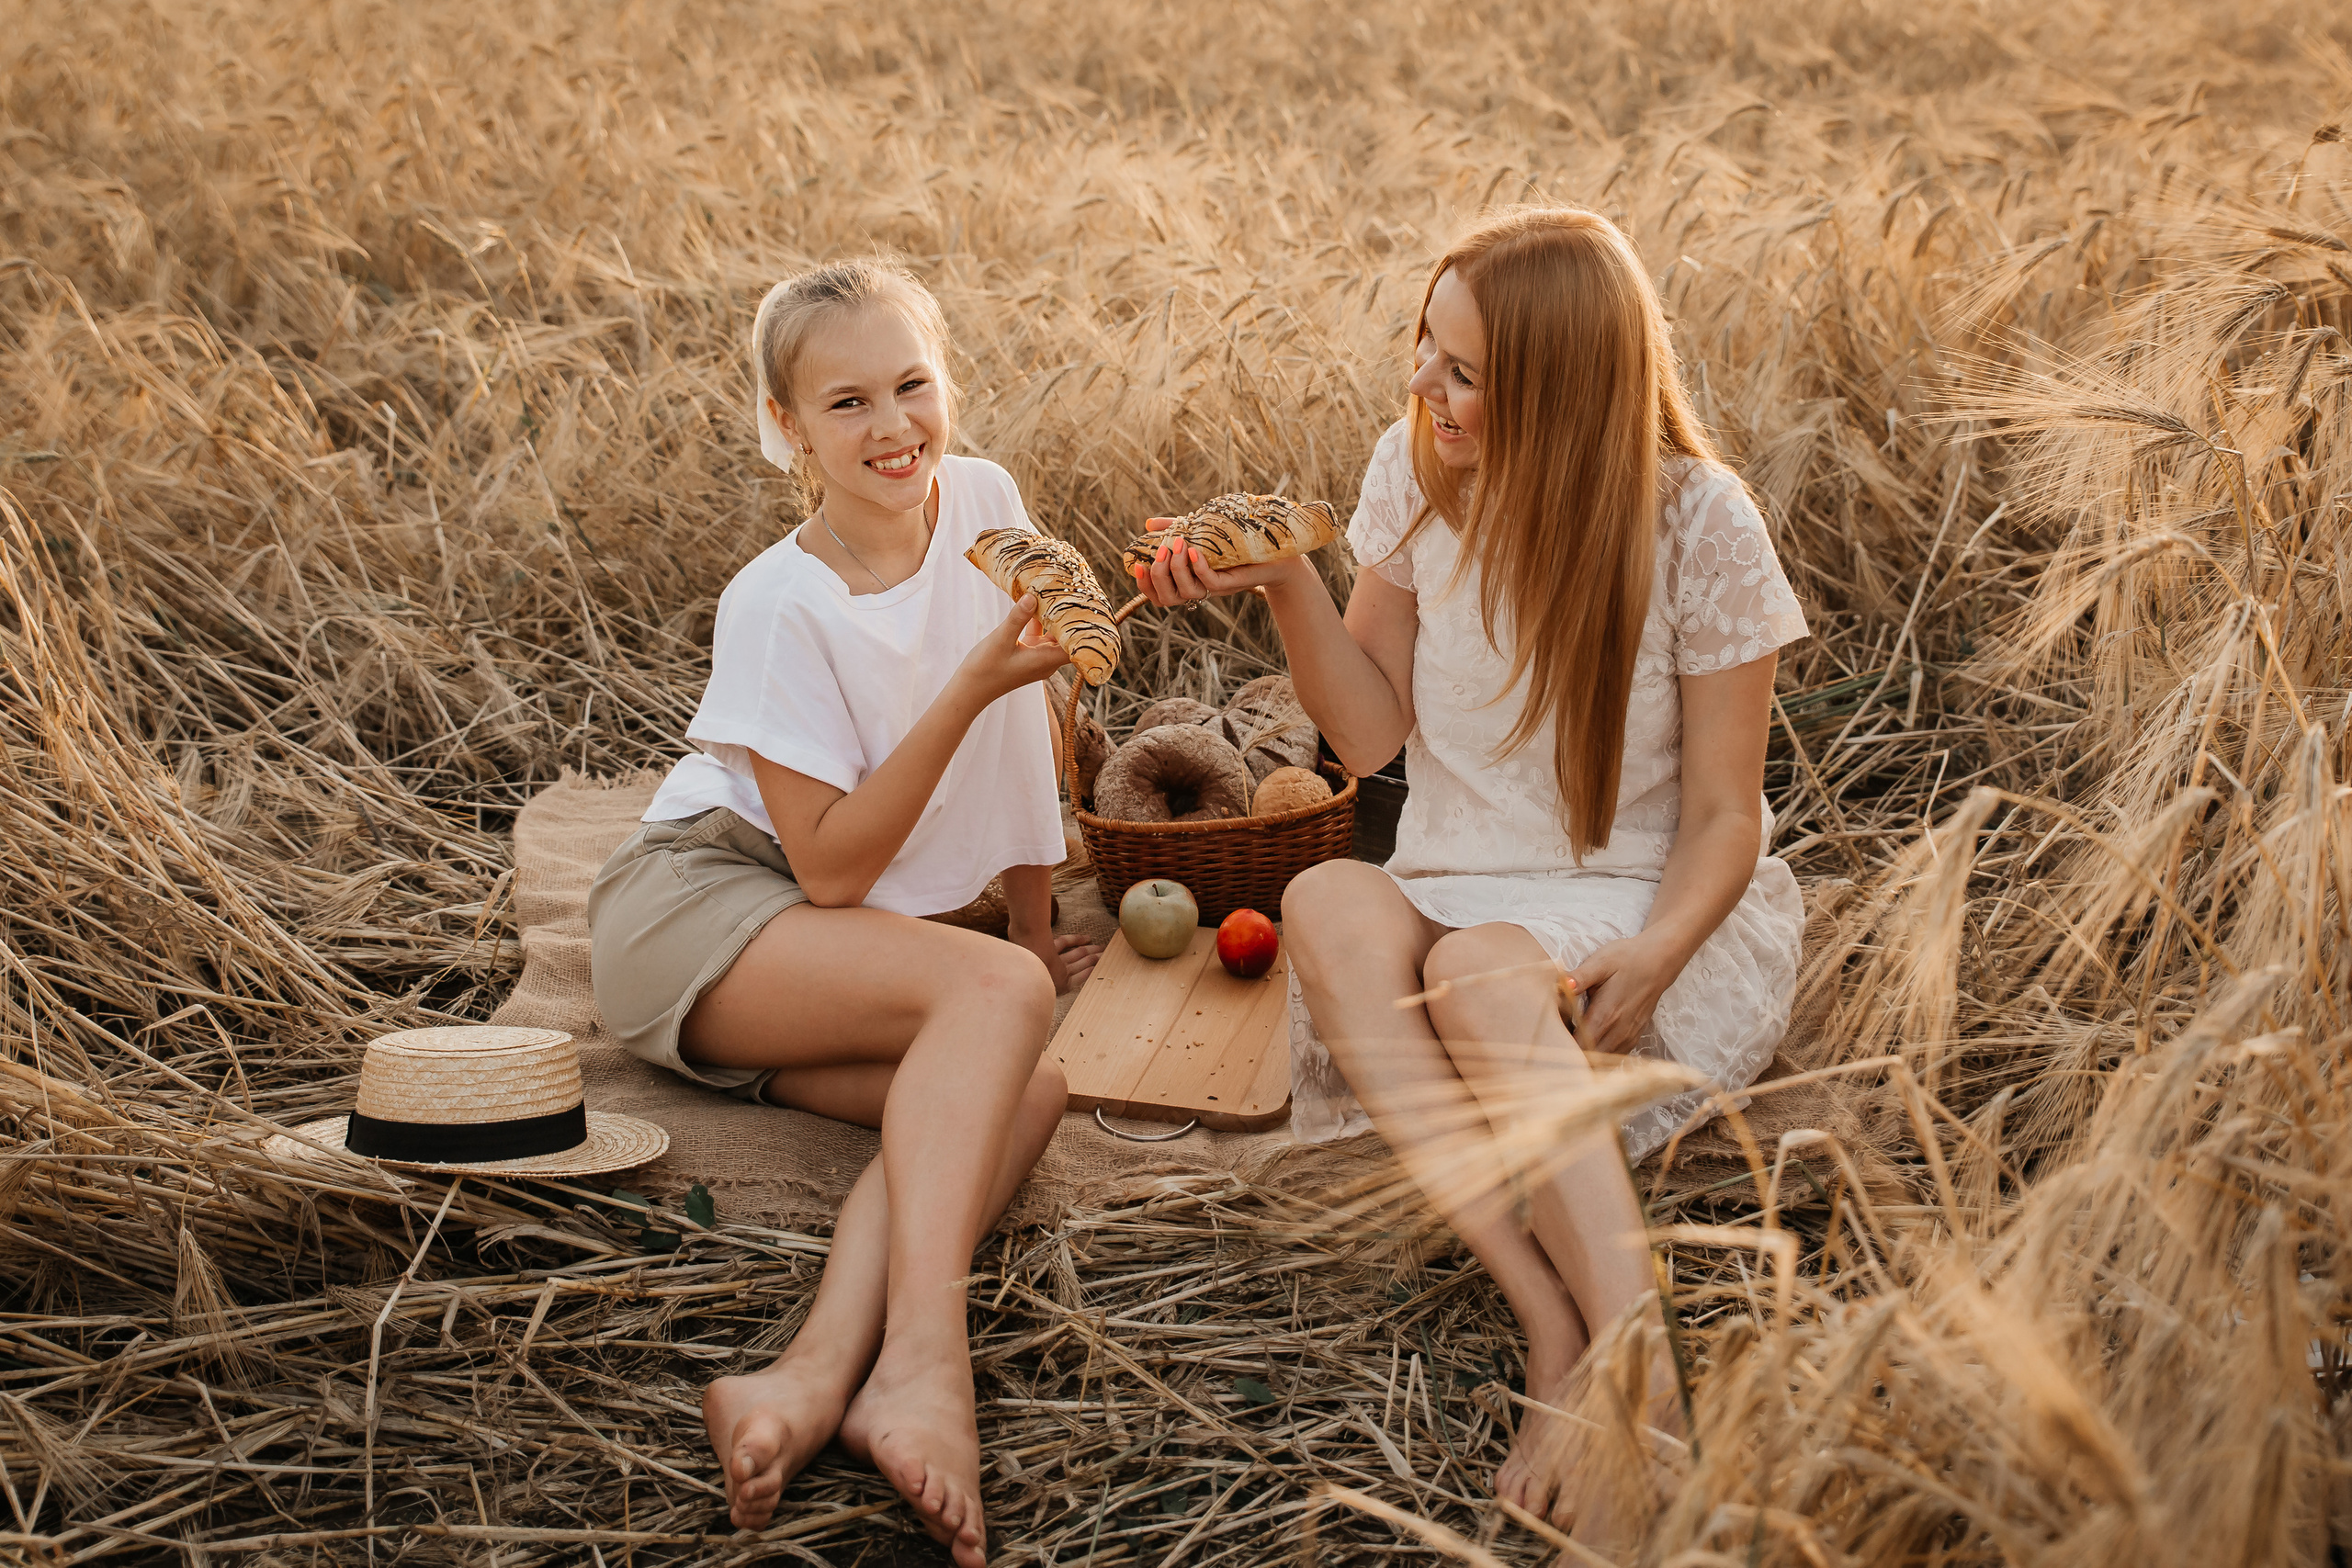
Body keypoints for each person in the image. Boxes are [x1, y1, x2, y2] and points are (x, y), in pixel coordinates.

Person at [1128, 208, 1808, 1529]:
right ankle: (1548, 1312)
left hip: (1630, 897)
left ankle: (1640, 1372)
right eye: (1424, 349)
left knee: (1485, 978)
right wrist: (1287, 587)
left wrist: (1658, 954)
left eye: (1464, 370)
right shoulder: (1416, 465)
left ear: (1564, 384)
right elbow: (1372, 732)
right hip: (1448, 876)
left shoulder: (1698, 523)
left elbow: (1730, 811)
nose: (1424, 390)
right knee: (1326, 894)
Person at [586, 259, 1101, 1568]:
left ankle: (808, 1380)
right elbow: (828, 873)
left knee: (1020, 1088)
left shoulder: (982, 500)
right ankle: (929, 1364)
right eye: (847, 402)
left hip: (803, 933)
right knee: (994, 1001)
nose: (892, 429)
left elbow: (1018, 741)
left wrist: (1034, 925)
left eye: (913, 387)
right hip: (701, 902)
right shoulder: (777, 602)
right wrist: (976, 684)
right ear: (787, 425)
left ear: (950, 388)